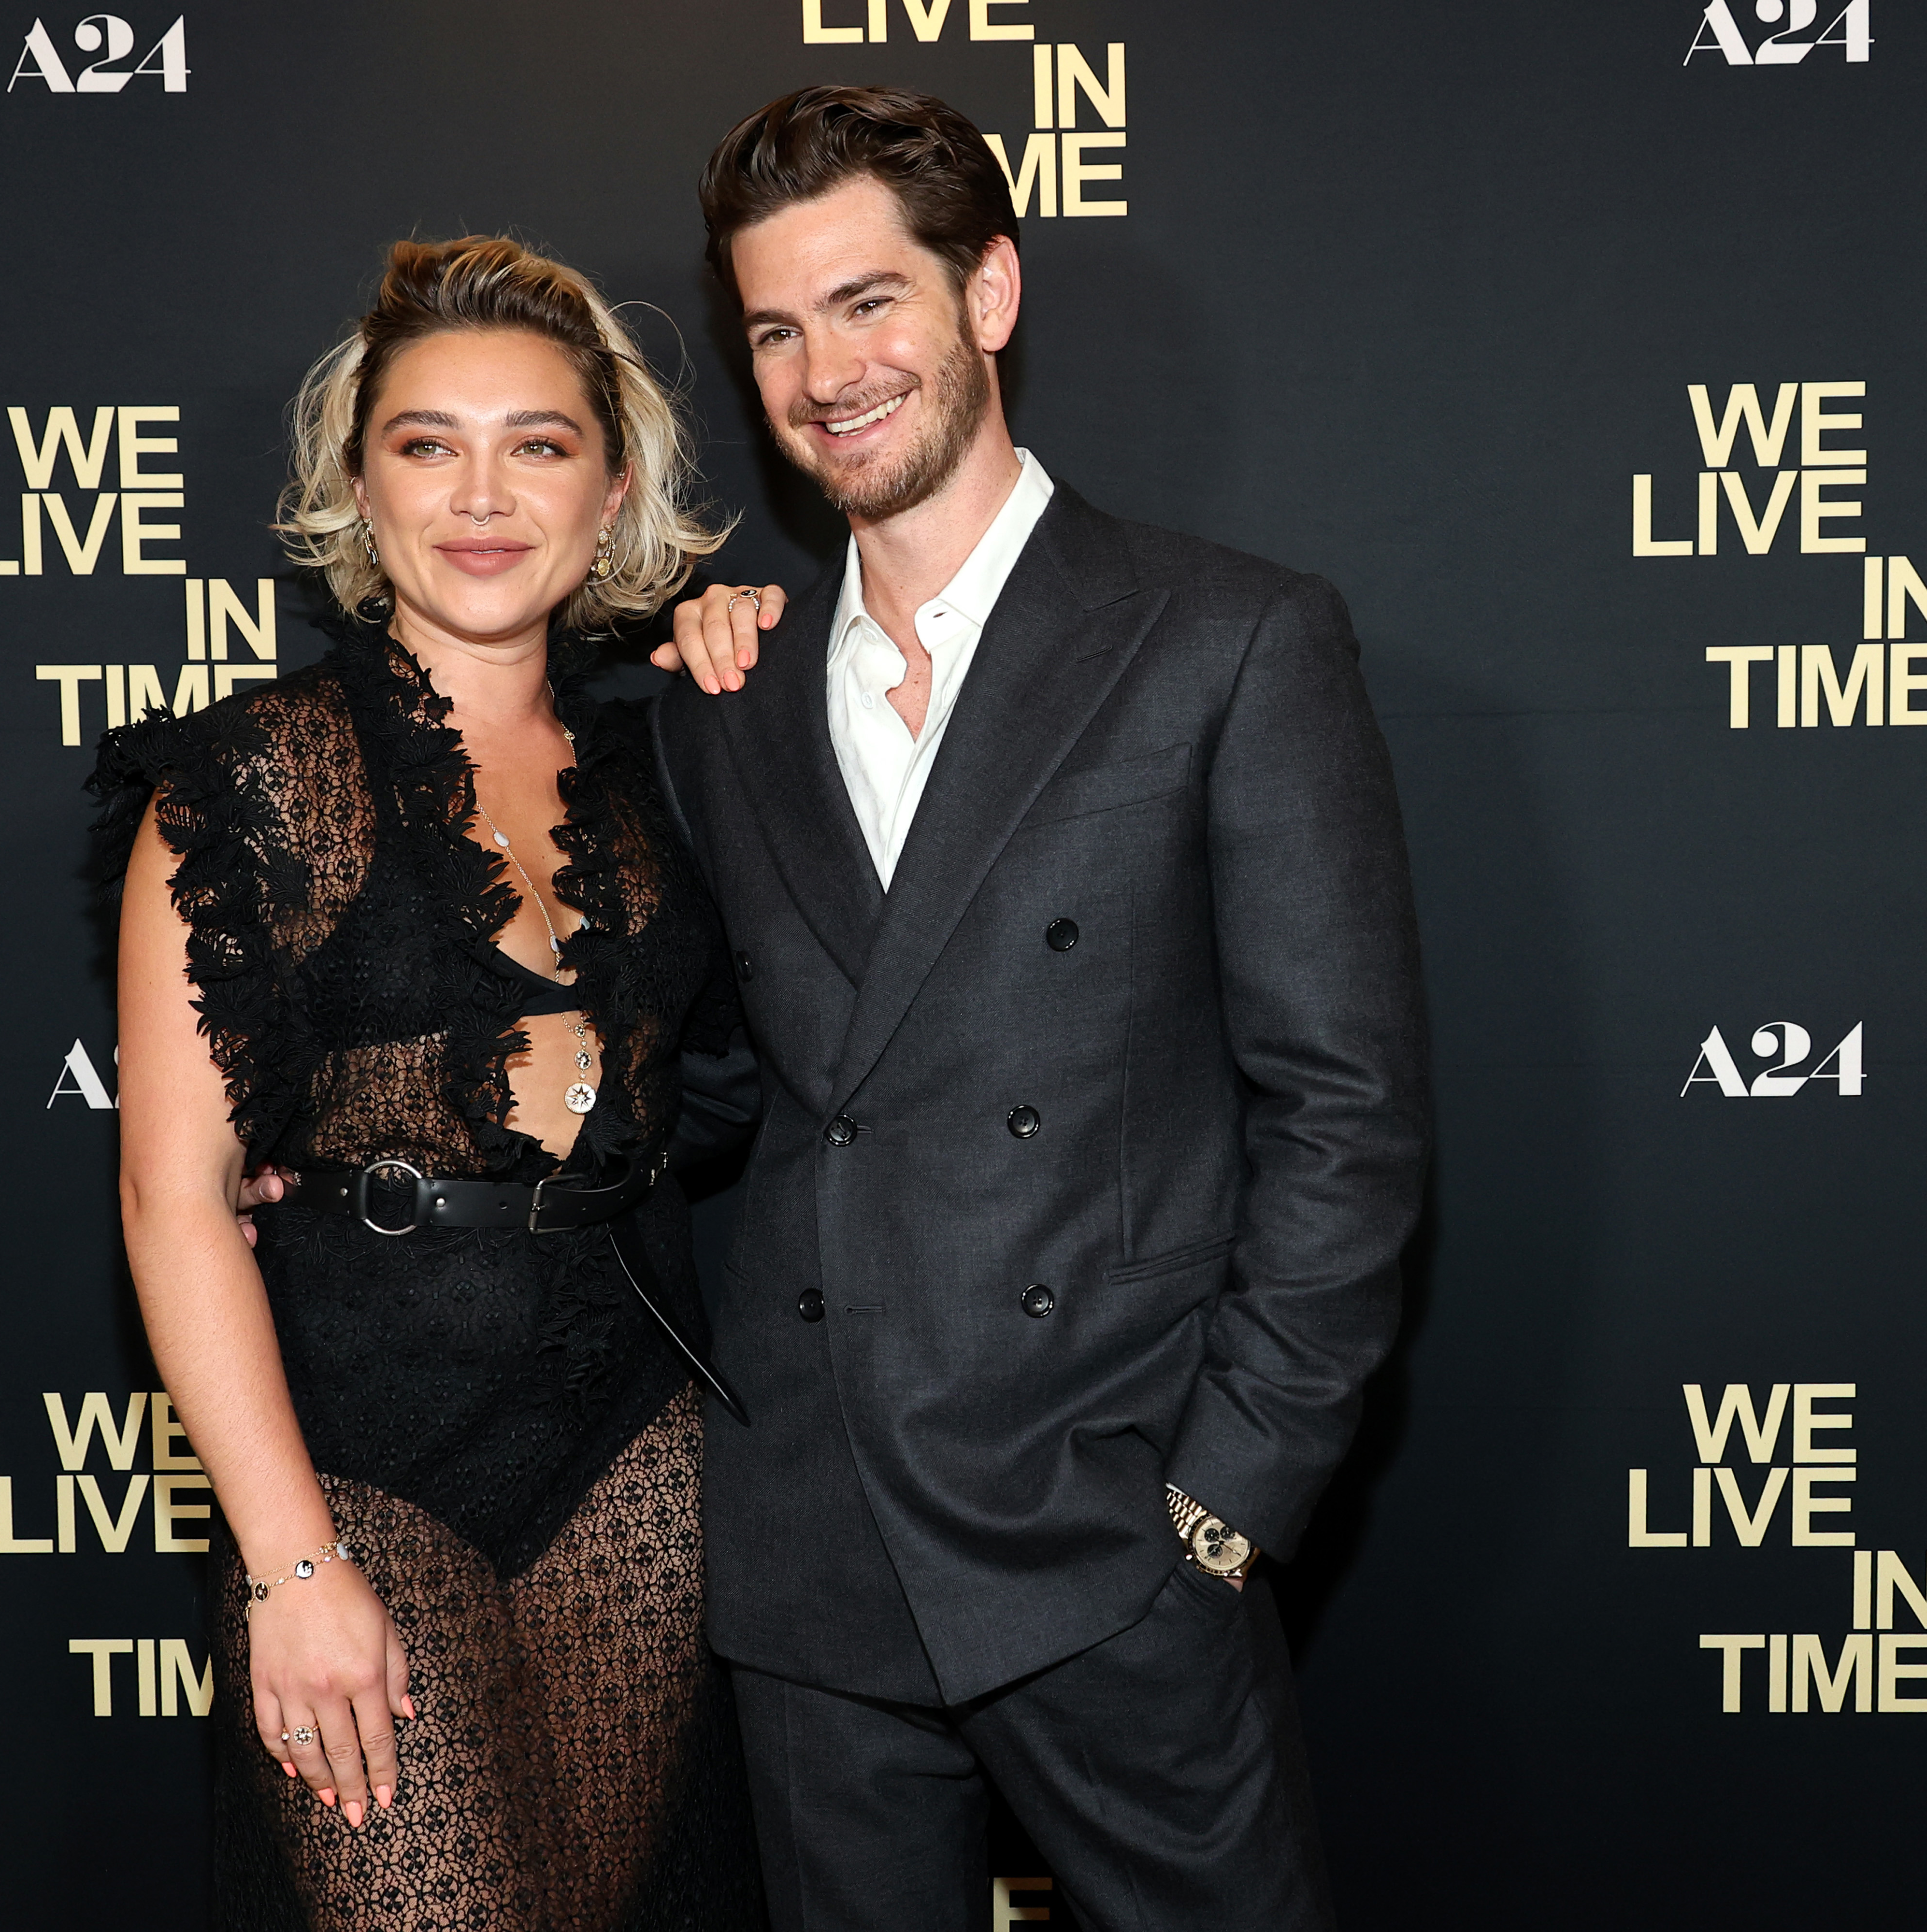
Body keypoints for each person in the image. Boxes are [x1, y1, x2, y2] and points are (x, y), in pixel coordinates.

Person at [645, 88, 1433, 1930]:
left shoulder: (1228, 640)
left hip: (1105, 1541)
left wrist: (1220, 1504)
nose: (826, 370)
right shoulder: (716, 701)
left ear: (987, 293)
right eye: (776, 328)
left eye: (868, 304)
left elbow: (1347, 1114)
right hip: (811, 1565)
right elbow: (705, 1103)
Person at [93, 235, 763, 1932]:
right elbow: (175, 1201)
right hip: (362, 1467)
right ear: (356, 479)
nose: (483, 494)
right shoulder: (253, 781)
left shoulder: (673, 767)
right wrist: (291, 1567)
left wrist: (757, 637)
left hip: (642, 1454)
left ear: (611, 492)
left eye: (539, 443)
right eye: (426, 442)